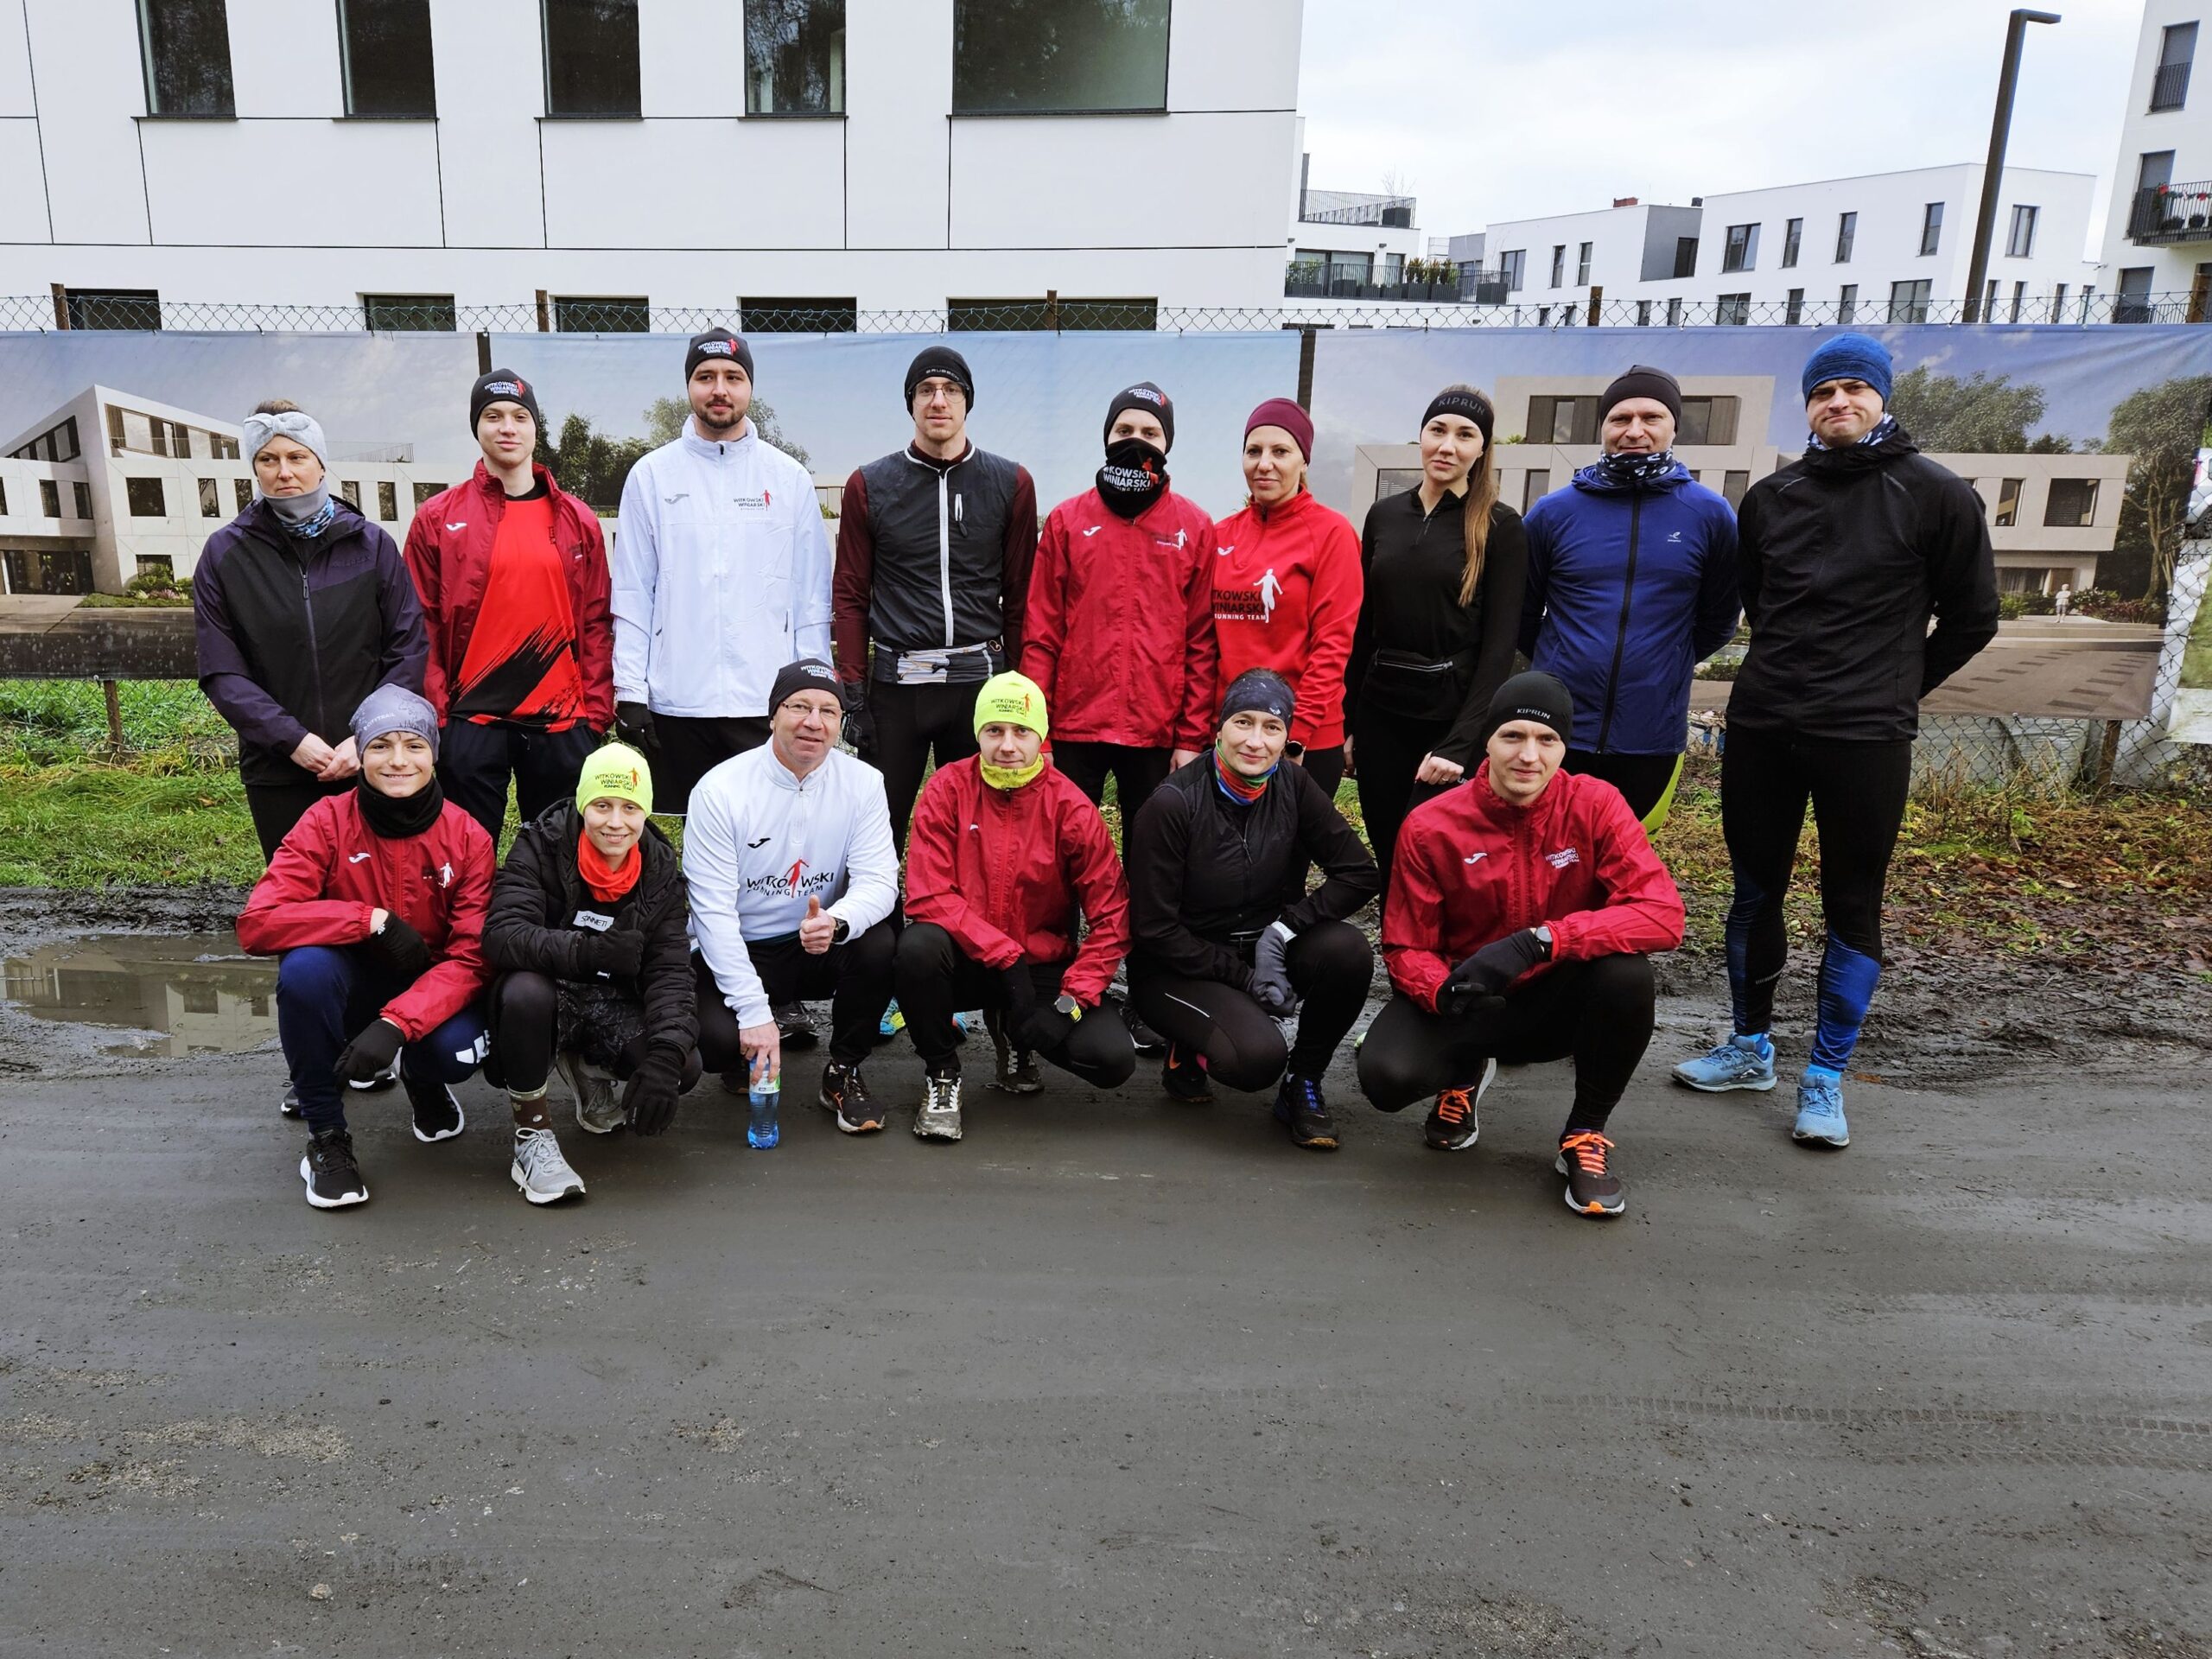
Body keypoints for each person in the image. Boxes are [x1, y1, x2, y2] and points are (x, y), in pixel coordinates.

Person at [1673, 334, 1998, 1149]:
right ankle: (1750, 1046)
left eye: (1855, 387)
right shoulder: (1771, 498)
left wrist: (1897, 686)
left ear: (1882, 398)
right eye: (1823, 391)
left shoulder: (1937, 494)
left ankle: (1824, 1075)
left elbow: (1974, 618)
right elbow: (1760, 601)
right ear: (1808, 406)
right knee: (1754, 892)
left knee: (1852, 901)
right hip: (1764, 727)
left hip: (1865, 737)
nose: (1838, 402)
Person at [1357, 673, 1686, 1218]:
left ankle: (1585, 1134)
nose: (1529, 756)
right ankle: (1464, 1074)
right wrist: (1441, 992)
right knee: (1386, 1078)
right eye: (1512, 736)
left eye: (1546, 740)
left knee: (1627, 976)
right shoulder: (1431, 825)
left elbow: (1662, 914)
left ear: (1564, 747)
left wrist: (1542, 942)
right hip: (1471, 1000)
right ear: (1487, 741)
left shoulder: (1596, 805)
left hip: (1556, 999)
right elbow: (1405, 944)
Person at [235, 686, 494, 1211]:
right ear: (359, 753)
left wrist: (396, 1025)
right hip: (350, 983)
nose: (398, 760)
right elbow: (258, 922)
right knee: (305, 972)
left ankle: (422, 1076)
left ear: (434, 754)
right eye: (380, 746)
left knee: (452, 1052)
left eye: (414, 746)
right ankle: (327, 1136)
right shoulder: (325, 821)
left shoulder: (470, 838)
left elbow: (471, 957)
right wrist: (368, 921)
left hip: (427, 991)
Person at [1125, 670, 1378, 1150]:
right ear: (1219, 728)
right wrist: (1245, 978)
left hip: (1262, 947)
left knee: (1348, 951)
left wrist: (1282, 933)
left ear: (1286, 738)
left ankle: (1303, 1083)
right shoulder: (1172, 804)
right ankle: (1188, 1047)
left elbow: (1359, 873)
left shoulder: (1293, 784)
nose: (1256, 741)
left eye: (1272, 727)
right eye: (1243, 722)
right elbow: (1153, 929)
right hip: (1176, 967)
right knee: (1256, 1061)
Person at [894, 672, 1135, 1142]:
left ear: (1040, 735)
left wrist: (1070, 1004)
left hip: (1040, 964)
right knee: (916, 948)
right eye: (994, 730)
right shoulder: (947, 789)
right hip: (966, 958)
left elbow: (1112, 917)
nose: (1007, 745)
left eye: (1021, 731)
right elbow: (926, 893)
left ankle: (1015, 1030)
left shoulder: (1072, 807)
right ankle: (942, 1072)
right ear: (978, 733)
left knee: (1112, 1059)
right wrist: (1005, 956)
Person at [194, 400, 428, 861]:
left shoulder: (371, 546)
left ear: (320, 463)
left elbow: (408, 648)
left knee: (378, 888)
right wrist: (292, 741)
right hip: (278, 770)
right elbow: (223, 672)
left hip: (370, 763)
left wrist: (369, 737)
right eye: (268, 459)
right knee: (298, 891)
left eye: (297, 456)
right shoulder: (224, 555)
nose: (284, 471)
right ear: (255, 469)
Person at [611, 329, 832, 816]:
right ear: (688, 386)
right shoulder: (651, 475)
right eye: (705, 376)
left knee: (767, 828)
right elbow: (632, 592)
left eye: (733, 377)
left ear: (750, 387)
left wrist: (814, 686)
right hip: (677, 700)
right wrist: (630, 691)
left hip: (766, 700)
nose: (719, 389)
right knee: (686, 831)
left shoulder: (788, 478)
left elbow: (811, 596)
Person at [833, 346, 1040, 846]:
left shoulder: (1011, 482)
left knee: (978, 829)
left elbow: (1021, 595)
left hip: (978, 685)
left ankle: (969, 901)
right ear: (911, 403)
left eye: (951, 390)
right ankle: (877, 900)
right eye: (926, 390)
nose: (938, 401)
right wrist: (853, 689)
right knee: (878, 828)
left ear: (968, 401)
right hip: (896, 687)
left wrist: (1019, 682)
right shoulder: (869, 484)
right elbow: (851, 594)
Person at [685, 659, 900, 1134]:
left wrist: (838, 921)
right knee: (715, 1043)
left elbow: (880, 880)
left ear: (840, 723)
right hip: (744, 945)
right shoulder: (720, 790)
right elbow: (711, 913)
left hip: (815, 941)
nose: (813, 722)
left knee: (879, 940)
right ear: (773, 716)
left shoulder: (864, 783)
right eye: (799, 706)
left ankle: (844, 1069)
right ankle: (753, 1040)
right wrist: (753, 1013)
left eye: (828, 711)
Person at [1520, 365, 1740, 824]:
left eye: (1651, 417)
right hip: (1556, 728)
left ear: (1673, 427)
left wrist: (1665, 660)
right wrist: (1561, 660)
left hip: (1650, 733)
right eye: (1620, 418)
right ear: (1603, 427)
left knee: (1625, 854)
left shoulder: (1710, 514)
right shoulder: (1553, 513)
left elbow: (1720, 619)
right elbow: (1519, 612)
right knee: (1544, 850)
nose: (1634, 431)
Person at [481, 742, 701, 1204]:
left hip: (611, 998)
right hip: (548, 988)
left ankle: (589, 1068)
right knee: (523, 994)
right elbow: (503, 935)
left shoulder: (661, 870)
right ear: (583, 805)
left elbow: (671, 970)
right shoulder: (539, 845)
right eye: (602, 805)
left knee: (684, 1065)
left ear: (646, 812)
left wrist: (666, 1056)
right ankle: (532, 1134)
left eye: (630, 808)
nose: (616, 822)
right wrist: (591, 952)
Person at [405, 369, 613, 844]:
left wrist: (595, 714)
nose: (507, 428)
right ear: (476, 427)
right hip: (471, 719)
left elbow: (596, 620)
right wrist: (439, 717)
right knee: (466, 854)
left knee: (556, 853)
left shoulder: (577, 518)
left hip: (562, 720)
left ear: (536, 428)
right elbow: (421, 623)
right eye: (493, 416)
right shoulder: (438, 517)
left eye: (520, 417)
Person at [1345, 385, 1527, 885]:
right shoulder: (1384, 516)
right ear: (1421, 436)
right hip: (1381, 717)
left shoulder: (1501, 527)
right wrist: (1349, 722)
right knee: (1389, 854)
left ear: (1482, 449)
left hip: (1447, 724)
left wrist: (1461, 744)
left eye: (1465, 435)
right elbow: (1365, 628)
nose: (1448, 446)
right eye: (1438, 430)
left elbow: (1499, 650)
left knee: (1437, 864)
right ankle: (1397, 940)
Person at [1020, 381, 1217, 839]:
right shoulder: (1067, 520)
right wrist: (1038, 731)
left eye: (1150, 433)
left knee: (1152, 855)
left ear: (1167, 443)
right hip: (1073, 727)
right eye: (1124, 430)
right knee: (1063, 850)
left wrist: (1191, 738)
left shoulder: (1195, 526)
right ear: (1107, 437)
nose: (1136, 441)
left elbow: (1202, 643)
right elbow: (1041, 634)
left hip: (1157, 732)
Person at [1211, 398, 1363, 800]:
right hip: (1232, 736)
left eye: (1280, 451)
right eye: (1254, 451)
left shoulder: (1331, 533)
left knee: (1289, 844)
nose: (1265, 464)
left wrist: (1294, 737)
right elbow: (1205, 644)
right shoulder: (1220, 535)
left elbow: (1333, 645)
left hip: (1303, 742)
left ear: (1304, 461)